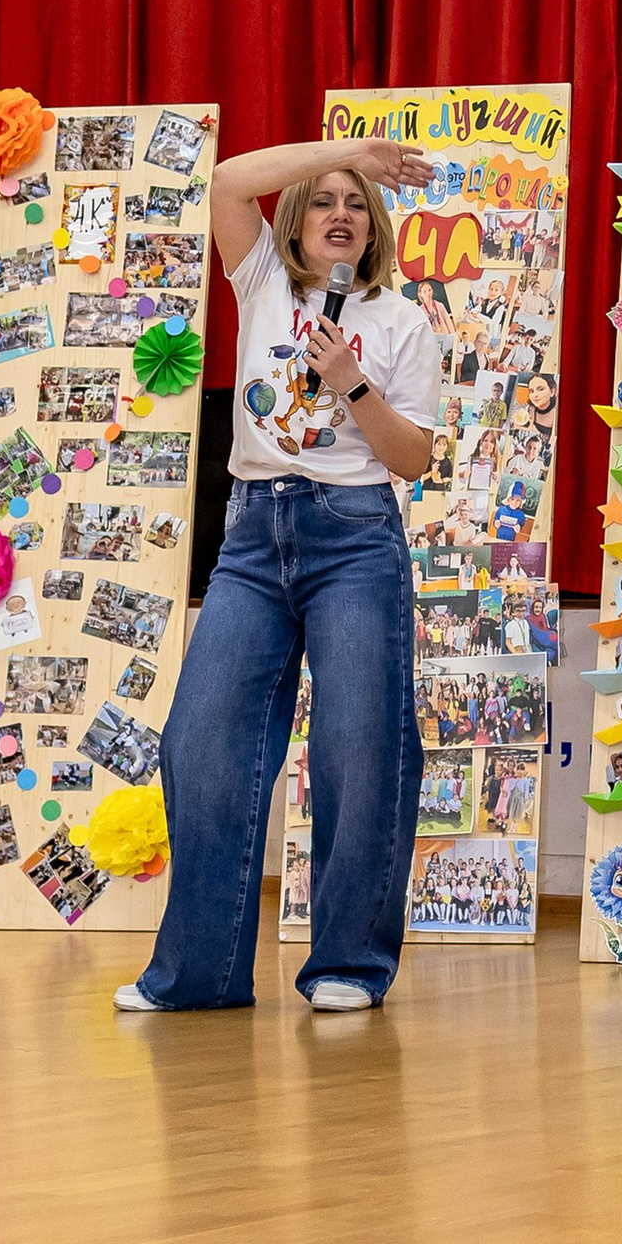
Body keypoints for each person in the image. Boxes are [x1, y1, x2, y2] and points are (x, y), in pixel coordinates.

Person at [116, 135, 440, 1022]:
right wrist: (356, 153)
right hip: (254, 538)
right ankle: (200, 973)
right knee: (202, 743)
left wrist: (353, 387)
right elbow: (226, 181)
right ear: (296, 223)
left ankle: (348, 964)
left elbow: (413, 459)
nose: (341, 213)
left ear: (373, 231)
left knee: (359, 748)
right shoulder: (261, 281)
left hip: (355, 540)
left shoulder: (404, 322)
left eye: (356, 204)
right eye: (325, 201)